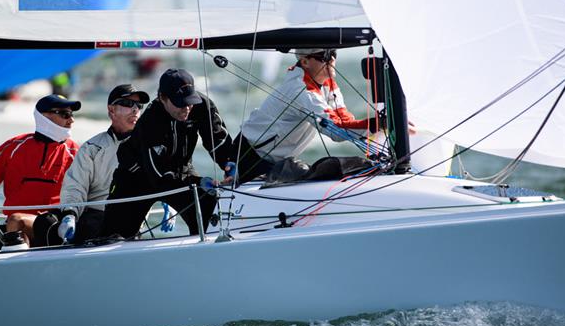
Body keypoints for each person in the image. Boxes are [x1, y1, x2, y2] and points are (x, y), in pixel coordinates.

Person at [99, 68, 236, 240]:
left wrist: (229, 163)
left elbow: (218, 141)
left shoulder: (202, 105)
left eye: (190, 101)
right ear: (163, 98)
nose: (186, 108)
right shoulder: (150, 121)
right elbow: (159, 176)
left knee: (208, 207)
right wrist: (199, 181)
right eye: (180, 103)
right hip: (137, 177)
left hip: (181, 169)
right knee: (112, 236)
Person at [235, 48, 383, 183]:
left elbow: (343, 120)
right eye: (324, 56)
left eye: (333, 53)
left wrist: (381, 124)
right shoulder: (301, 91)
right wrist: (380, 124)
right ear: (305, 62)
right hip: (250, 158)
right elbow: (335, 130)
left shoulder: (327, 83)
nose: (331, 60)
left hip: (275, 159)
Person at [0, 94, 80, 252]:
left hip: (52, 224)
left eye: (72, 115)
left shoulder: (75, 152)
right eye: (65, 115)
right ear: (45, 117)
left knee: (17, 221)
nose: (71, 120)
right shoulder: (14, 147)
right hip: (12, 226)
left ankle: (16, 269)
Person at [57, 84, 150, 244]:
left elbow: (162, 179)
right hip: (94, 220)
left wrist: (167, 205)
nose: (135, 110)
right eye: (128, 104)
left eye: (138, 105)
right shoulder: (92, 147)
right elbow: (76, 185)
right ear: (111, 110)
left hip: (132, 221)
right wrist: (70, 214)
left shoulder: (149, 147)